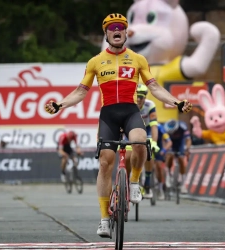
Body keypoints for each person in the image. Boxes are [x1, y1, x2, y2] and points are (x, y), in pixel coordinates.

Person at [44, 13, 192, 238]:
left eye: (121, 27)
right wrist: (60, 104)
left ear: (125, 33)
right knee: (105, 163)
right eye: (112, 27)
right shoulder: (95, 61)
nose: (116, 30)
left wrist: (176, 102)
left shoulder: (137, 59)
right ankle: (104, 219)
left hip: (130, 111)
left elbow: (155, 89)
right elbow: (80, 92)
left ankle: (134, 182)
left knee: (141, 143)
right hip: (109, 115)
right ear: (106, 33)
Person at [124, 84, 160, 199]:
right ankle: (127, 181)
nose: (139, 99)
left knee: (150, 152)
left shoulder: (150, 105)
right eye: (137, 96)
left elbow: (154, 126)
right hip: (130, 130)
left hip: (147, 130)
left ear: (145, 97)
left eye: (141, 97)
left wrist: (154, 142)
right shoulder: (128, 105)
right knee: (127, 156)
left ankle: (147, 183)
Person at [163, 119, 192, 194]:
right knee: (169, 155)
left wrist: (187, 148)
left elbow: (188, 139)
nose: (174, 133)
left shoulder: (183, 126)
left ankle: (183, 183)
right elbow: (163, 141)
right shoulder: (165, 128)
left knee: (181, 159)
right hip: (170, 143)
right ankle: (168, 175)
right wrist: (164, 150)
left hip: (180, 143)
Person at [154, 123, 172, 200]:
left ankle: (160, 188)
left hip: (158, 148)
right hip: (146, 146)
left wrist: (164, 150)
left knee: (159, 166)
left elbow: (169, 142)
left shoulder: (159, 127)